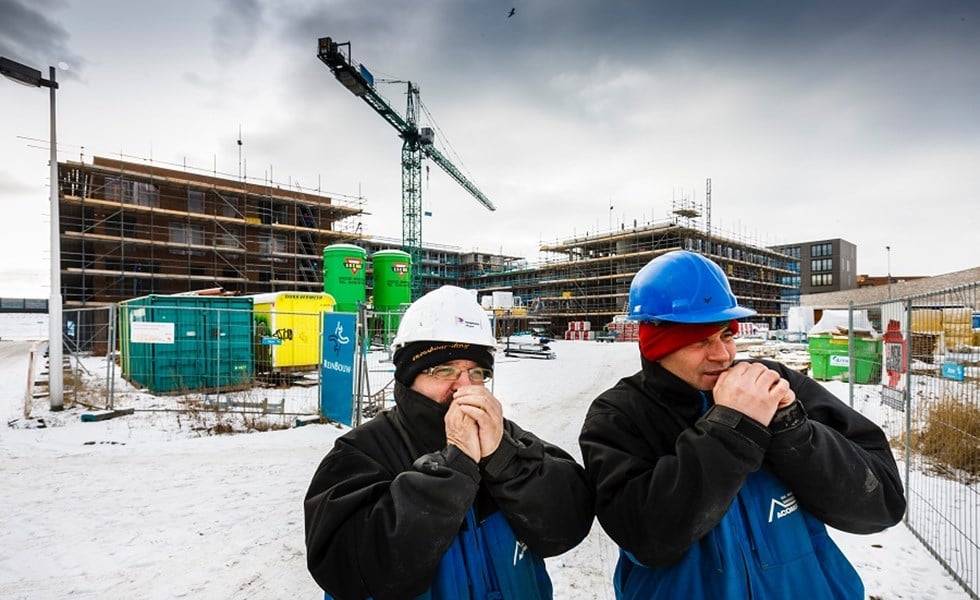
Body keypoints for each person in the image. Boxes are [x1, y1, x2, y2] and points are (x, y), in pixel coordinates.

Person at [579, 250, 907, 599]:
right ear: (657, 345)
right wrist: (731, 428)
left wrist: (792, 429)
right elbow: (648, 539)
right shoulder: (619, 416)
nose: (722, 355)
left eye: (726, 335)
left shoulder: (776, 383)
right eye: (699, 341)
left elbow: (881, 504)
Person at [305, 285, 594, 599]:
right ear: (407, 375)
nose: (464, 387)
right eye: (445, 370)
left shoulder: (505, 438)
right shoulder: (360, 454)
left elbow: (568, 525)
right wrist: (453, 470)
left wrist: (506, 460)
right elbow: (348, 569)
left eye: (476, 372)